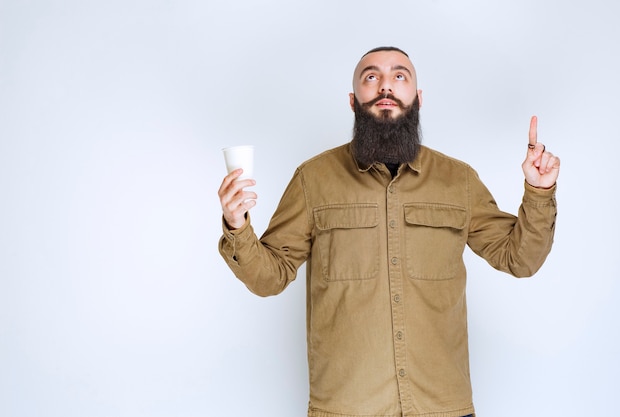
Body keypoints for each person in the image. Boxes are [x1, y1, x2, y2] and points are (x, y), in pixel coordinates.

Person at [218, 46, 559, 417]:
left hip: (442, 406)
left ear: (418, 97)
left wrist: (539, 192)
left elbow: (520, 259)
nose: (386, 87)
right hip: (347, 407)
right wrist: (238, 226)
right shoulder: (313, 180)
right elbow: (271, 277)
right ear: (353, 100)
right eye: (371, 77)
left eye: (399, 76)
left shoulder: (458, 181)